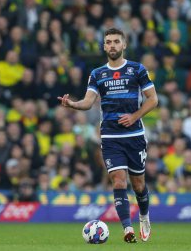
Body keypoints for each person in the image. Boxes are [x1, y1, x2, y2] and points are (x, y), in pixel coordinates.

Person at [58, 28, 158, 243]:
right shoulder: (97, 74)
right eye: (108, 42)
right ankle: (127, 229)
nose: (112, 45)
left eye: (116, 42)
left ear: (124, 45)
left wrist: (135, 116)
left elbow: (153, 99)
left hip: (135, 134)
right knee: (118, 180)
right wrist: (73, 104)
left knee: (138, 185)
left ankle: (144, 215)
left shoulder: (137, 69)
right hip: (111, 136)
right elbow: (88, 102)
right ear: (104, 46)